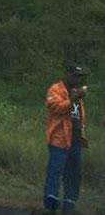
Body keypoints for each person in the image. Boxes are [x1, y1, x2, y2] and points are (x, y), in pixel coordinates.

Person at [43, 63, 89, 214]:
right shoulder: (56, 89)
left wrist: (82, 133)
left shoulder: (77, 93)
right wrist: (72, 99)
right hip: (59, 139)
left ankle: (69, 204)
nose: (78, 80)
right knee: (55, 170)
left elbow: (79, 117)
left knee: (73, 173)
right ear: (67, 75)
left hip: (75, 139)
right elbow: (56, 107)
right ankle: (51, 203)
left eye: (80, 77)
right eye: (75, 76)